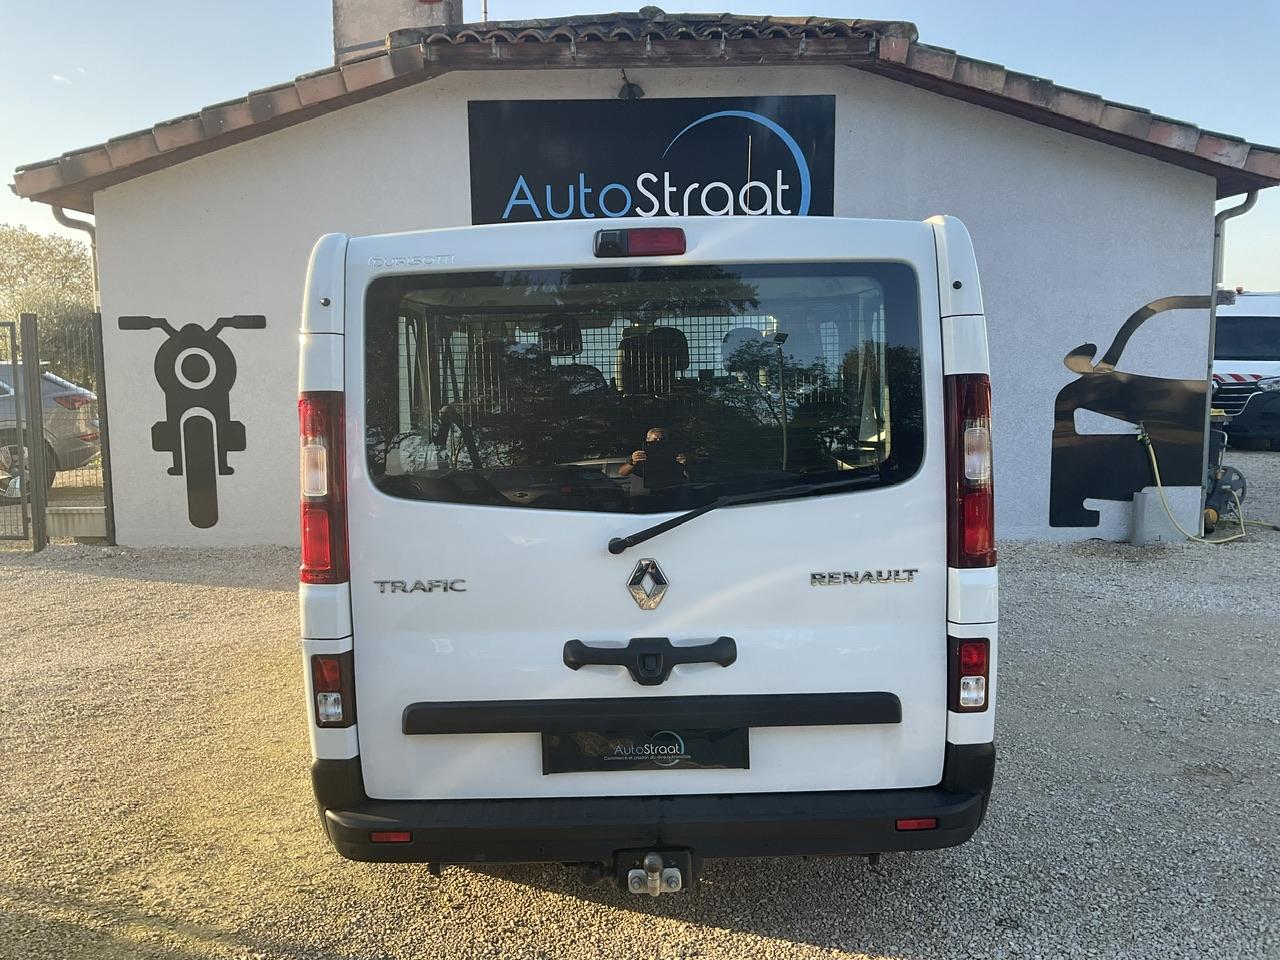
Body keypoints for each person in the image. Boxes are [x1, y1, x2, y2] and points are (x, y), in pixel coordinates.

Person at [618, 427, 688, 487]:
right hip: (642, 493)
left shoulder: (674, 454)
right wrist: (633, 462)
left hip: (668, 490)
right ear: (647, 440)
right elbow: (622, 473)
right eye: (654, 440)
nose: (658, 442)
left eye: (662, 440)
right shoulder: (639, 454)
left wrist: (684, 464)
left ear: (667, 441)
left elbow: (686, 476)